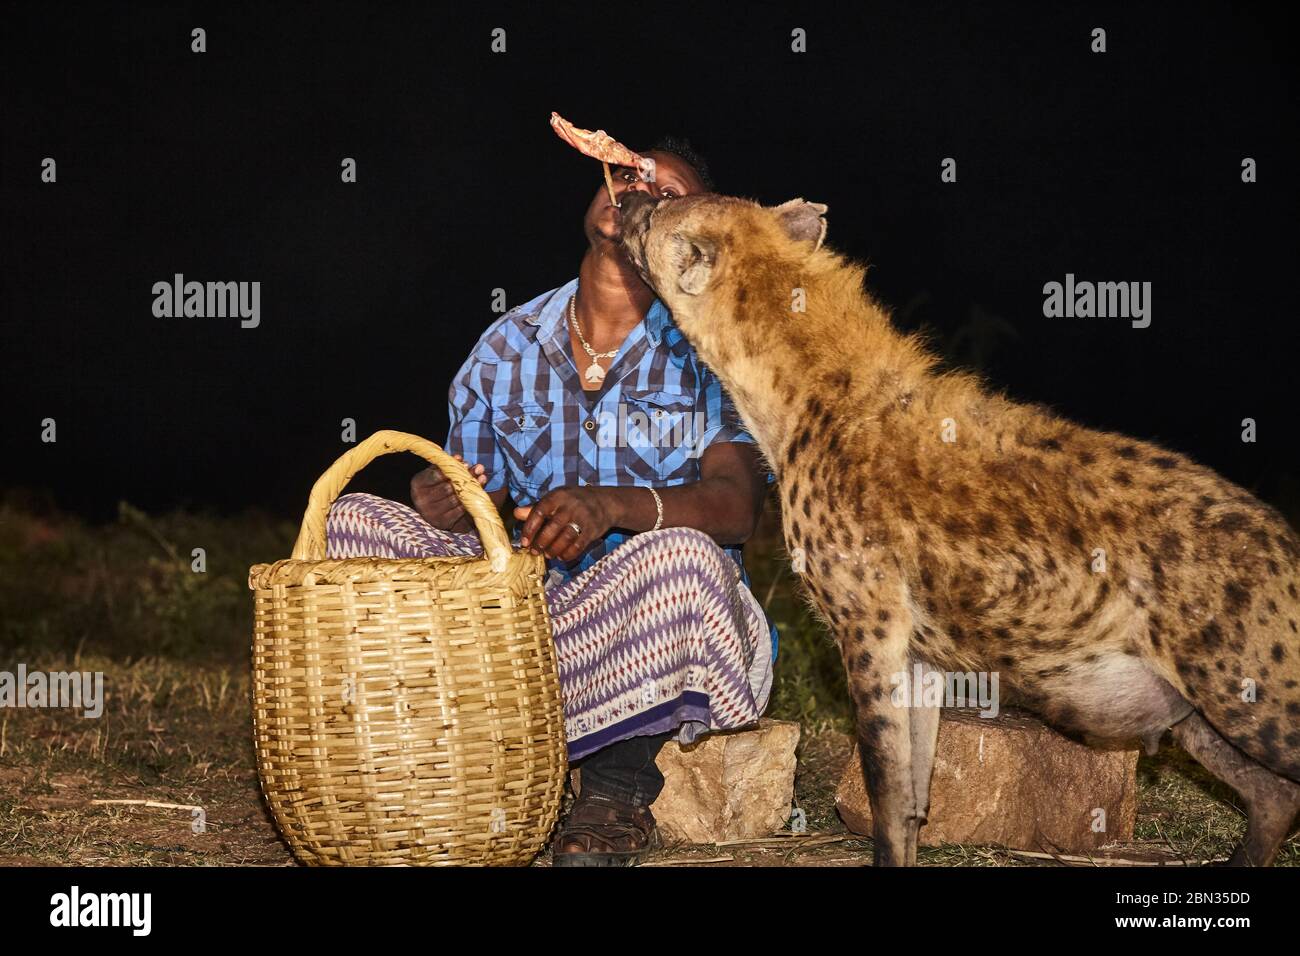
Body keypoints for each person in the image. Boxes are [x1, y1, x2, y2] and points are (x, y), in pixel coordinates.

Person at [324, 136, 778, 866]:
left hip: (652, 623)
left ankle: (615, 793)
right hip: (526, 638)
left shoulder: (714, 350)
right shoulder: (505, 346)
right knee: (354, 523)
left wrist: (610, 507)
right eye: (626, 173)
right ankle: (426, 745)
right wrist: (452, 497)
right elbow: (482, 491)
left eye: (665, 192)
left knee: (686, 560)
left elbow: (735, 507)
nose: (636, 189)